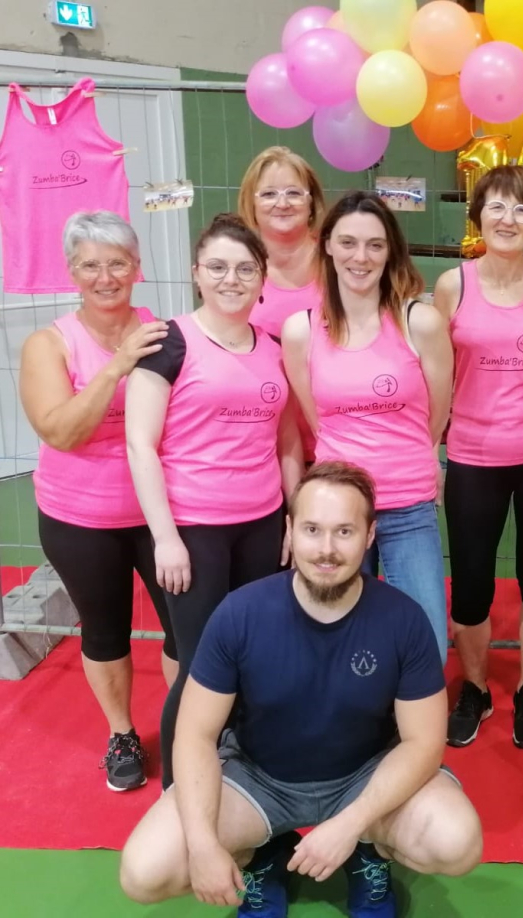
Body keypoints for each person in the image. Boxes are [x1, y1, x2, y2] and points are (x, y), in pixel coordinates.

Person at [119, 461, 482, 918]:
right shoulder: (240, 615)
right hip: (258, 780)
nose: (326, 549)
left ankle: (370, 852)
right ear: (289, 531)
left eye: (344, 532)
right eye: (312, 529)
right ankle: (260, 855)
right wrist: (205, 845)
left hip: (363, 776)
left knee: (457, 843)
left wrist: (352, 825)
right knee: (144, 872)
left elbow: (425, 742)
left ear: (370, 536)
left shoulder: (403, 620)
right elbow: (194, 735)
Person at [126, 213, 303, 788]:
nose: (233, 279)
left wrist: (293, 516)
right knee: (202, 667)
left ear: (262, 279)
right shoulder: (169, 342)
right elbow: (140, 445)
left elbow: (286, 441)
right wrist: (166, 538)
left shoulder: (273, 348)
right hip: (195, 530)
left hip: (260, 524)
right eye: (219, 267)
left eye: (245, 269)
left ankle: (245, 774)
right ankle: (182, 791)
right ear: (197, 273)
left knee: (255, 656)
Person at [19, 211, 176, 793]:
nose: (104, 276)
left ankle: (188, 728)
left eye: (116, 263)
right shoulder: (50, 345)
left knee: (185, 628)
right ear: (71, 272)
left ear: (137, 267)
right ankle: (121, 733)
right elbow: (61, 431)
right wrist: (115, 367)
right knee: (104, 630)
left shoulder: (165, 331)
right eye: (90, 264)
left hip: (162, 512)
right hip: (79, 516)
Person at [432, 166, 523, 749]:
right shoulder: (451, 285)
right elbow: (437, 377)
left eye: (521, 209)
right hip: (472, 453)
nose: (508, 219)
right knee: (470, 583)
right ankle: (475, 686)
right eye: (496, 207)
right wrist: (427, 446)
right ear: (478, 216)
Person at [282, 191, 453, 663]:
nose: (362, 257)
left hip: (407, 508)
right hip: (337, 514)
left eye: (375, 245)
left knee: (426, 650)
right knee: (336, 645)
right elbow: (315, 418)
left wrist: (407, 458)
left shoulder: (420, 322)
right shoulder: (301, 330)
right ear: (329, 248)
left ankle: (411, 733)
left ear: (391, 252)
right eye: (349, 242)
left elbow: (436, 417)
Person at [238, 146, 326, 338]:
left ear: (311, 202)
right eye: (269, 194)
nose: (283, 204)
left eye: (293, 193)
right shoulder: (235, 268)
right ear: (251, 205)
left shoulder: (337, 259)